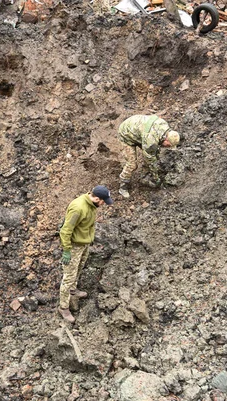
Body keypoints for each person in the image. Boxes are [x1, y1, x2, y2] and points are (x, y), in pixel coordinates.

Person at [58, 185, 113, 323]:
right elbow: (65, 231)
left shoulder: (92, 205)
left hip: (84, 244)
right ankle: (63, 307)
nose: (103, 204)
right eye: (103, 202)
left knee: (79, 268)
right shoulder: (78, 208)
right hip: (74, 246)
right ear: (96, 198)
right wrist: (66, 250)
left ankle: (73, 290)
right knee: (68, 277)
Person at [117, 115, 181, 198]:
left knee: (151, 153)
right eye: (168, 145)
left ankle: (146, 173)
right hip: (126, 134)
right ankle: (123, 187)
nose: (167, 147)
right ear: (166, 139)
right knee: (132, 164)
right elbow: (150, 160)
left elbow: (154, 150)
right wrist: (156, 178)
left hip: (138, 131)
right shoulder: (151, 140)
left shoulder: (165, 127)